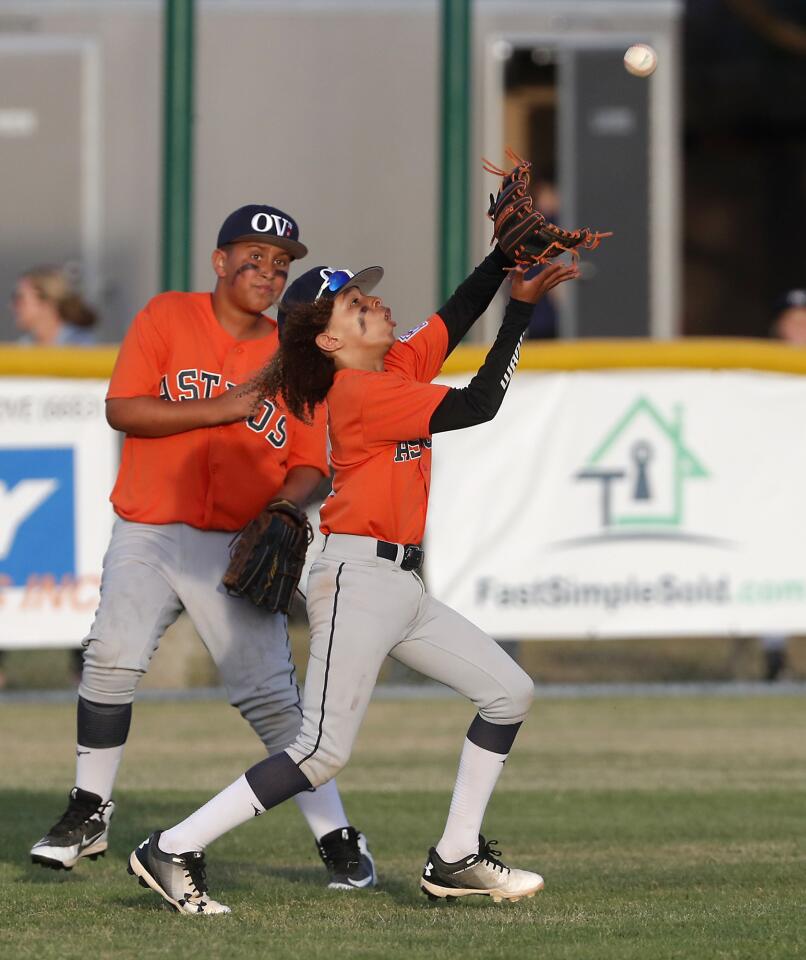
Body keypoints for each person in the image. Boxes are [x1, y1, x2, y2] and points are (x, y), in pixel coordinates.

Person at [126, 246, 579, 914]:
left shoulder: (390, 364)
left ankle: (455, 857)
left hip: (403, 588)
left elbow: (452, 319)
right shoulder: (360, 392)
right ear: (331, 339)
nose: (378, 305)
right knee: (320, 750)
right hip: (357, 583)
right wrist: (522, 308)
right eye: (357, 305)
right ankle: (172, 847)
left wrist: (500, 258)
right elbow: (482, 402)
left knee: (509, 691)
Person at [29, 204, 376, 892]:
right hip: (152, 528)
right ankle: (89, 809)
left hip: (239, 544)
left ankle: (338, 838)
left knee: (275, 704)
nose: (269, 272)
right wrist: (220, 408)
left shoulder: (297, 359)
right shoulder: (166, 318)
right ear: (220, 262)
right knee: (109, 658)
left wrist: (287, 502)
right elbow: (123, 409)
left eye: (281, 264)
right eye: (254, 257)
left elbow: (311, 461)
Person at [0, 265, 99, 690]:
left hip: (77, 477)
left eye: (22, 298)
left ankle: (89, 676)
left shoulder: (86, 352)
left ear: (47, 303)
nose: (14, 307)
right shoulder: (18, 353)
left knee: (83, 565)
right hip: (21, 466)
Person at [758, 288, 806, 680]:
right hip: (778, 486)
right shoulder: (760, 372)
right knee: (770, 560)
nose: (801, 325)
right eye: (794, 319)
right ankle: (773, 658)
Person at [12, 264, 98, 345]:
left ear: (47, 303)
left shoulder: (81, 347)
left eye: (20, 298)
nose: (13, 305)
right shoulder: (24, 346)